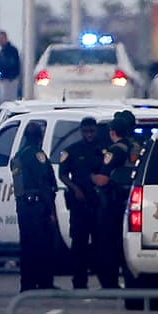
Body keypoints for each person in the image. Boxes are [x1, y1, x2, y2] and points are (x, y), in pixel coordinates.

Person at [9, 123, 59, 291]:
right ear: (40, 137)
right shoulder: (37, 155)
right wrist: (51, 211)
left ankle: (27, 284)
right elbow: (43, 183)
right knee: (43, 246)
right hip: (38, 206)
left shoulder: (18, 156)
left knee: (27, 246)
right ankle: (45, 283)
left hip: (23, 206)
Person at [59, 117, 103, 289]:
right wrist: (74, 188)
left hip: (98, 203)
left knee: (100, 243)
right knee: (79, 244)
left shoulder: (102, 150)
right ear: (81, 131)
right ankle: (79, 281)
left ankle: (104, 280)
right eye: (86, 131)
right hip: (79, 205)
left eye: (92, 131)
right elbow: (62, 174)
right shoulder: (72, 151)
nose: (89, 134)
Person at [90, 116, 133, 289]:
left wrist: (89, 176)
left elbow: (102, 179)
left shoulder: (113, 151)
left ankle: (109, 283)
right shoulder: (135, 147)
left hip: (112, 205)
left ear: (112, 132)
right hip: (128, 202)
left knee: (107, 245)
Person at [0, 31, 22, 101]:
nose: (0, 41)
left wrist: (12, 76)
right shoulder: (0, 53)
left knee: (11, 99)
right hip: (4, 80)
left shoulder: (12, 51)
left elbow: (15, 65)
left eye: (1, 38)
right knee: (4, 99)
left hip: (11, 80)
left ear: (6, 38)